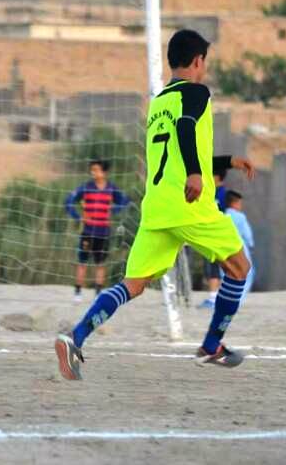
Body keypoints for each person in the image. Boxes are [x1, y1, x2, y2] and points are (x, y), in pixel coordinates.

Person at [55, 29, 256, 380]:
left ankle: (76, 337)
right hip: (189, 204)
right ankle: (212, 345)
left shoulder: (160, 101)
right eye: (204, 62)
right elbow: (185, 129)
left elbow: (175, 150)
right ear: (198, 61)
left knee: (133, 283)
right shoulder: (196, 92)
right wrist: (196, 174)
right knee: (239, 267)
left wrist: (224, 162)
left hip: (158, 207)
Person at [64, 159, 129, 302]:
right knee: (82, 263)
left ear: (104, 172)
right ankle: (77, 293)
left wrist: (114, 210)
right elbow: (68, 200)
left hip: (104, 232)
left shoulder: (111, 189)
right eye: (92, 170)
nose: (93, 173)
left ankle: (98, 293)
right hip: (87, 232)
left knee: (101, 264)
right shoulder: (86, 188)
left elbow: (125, 200)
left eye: (96, 170)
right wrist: (78, 216)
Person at [198, 167, 229, 309]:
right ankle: (215, 296)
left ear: (217, 177)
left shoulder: (224, 194)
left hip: (216, 234)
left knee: (214, 265)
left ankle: (214, 298)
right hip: (206, 234)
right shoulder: (209, 192)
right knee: (210, 265)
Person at [224, 190, 255, 302]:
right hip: (240, 246)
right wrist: (251, 244)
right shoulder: (240, 217)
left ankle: (227, 295)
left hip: (225, 247)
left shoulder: (223, 215)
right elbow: (247, 234)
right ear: (235, 203)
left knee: (227, 272)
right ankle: (239, 297)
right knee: (246, 271)